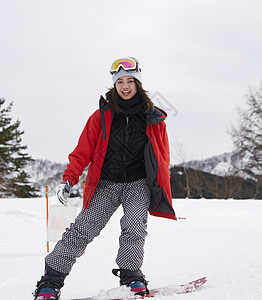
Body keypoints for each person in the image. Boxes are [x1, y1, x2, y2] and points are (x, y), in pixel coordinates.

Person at [34, 57, 176, 300]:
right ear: (114, 85)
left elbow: (163, 157)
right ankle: (50, 281)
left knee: (134, 228)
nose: (125, 86)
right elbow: (83, 151)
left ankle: (131, 276)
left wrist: (159, 187)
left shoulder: (153, 118)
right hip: (106, 183)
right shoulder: (102, 115)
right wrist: (69, 179)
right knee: (81, 230)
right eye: (120, 81)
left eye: (130, 81)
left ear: (138, 84)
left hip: (137, 183)